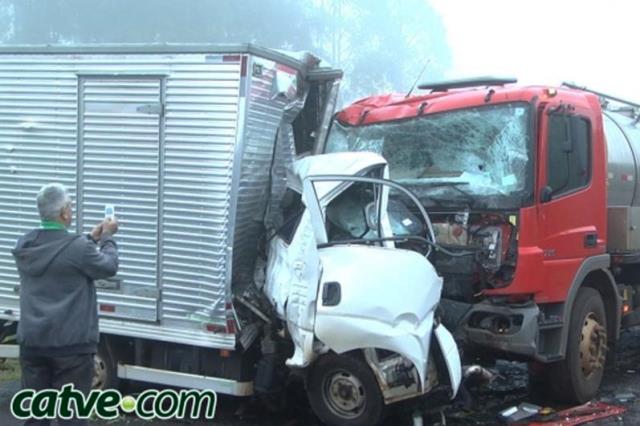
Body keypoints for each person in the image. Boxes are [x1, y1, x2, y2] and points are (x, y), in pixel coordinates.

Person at [12, 183, 119, 425]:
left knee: (36, 416)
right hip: (71, 348)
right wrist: (107, 237)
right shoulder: (78, 249)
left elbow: (62, 251)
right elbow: (109, 266)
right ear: (65, 213)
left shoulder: (25, 245)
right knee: (71, 418)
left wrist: (90, 237)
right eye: (69, 206)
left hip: (33, 345)